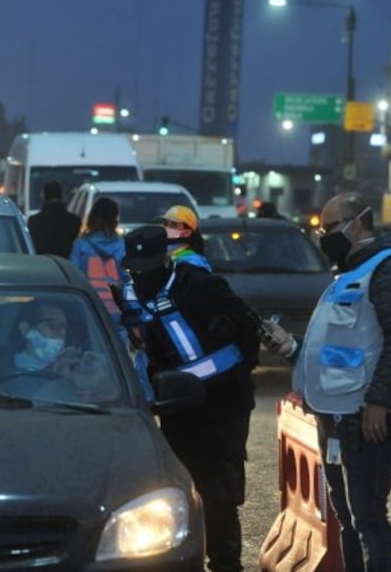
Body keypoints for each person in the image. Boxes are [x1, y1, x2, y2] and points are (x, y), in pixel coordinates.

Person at [263, 192, 391, 572]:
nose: (323, 236)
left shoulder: (390, 268)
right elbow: (338, 348)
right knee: (349, 517)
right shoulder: (348, 275)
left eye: (330, 227)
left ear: (358, 223)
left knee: (369, 517)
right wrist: (290, 346)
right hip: (336, 417)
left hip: (367, 417)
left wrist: (379, 402)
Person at [119, 224, 260, 572]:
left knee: (219, 493)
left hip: (223, 403)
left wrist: (240, 365)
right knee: (176, 488)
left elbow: (248, 326)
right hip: (177, 406)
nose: (141, 273)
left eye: (148, 265)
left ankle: (226, 564)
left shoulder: (198, 284)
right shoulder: (132, 293)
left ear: (165, 258)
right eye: (135, 268)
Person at [69, 197, 125, 320]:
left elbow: (73, 276)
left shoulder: (81, 245)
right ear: (115, 219)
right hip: (117, 308)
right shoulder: (122, 245)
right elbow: (127, 277)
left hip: (90, 308)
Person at [27, 180, 81, 258]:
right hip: (66, 266)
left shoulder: (34, 221)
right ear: (61, 195)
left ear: (43, 196)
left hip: (42, 265)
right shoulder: (74, 221)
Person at [160, 204, 211, 271]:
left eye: (174, 225)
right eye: (165, 224)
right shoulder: (165, 254)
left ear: (187, 233)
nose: (166, 228)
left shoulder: (193, 262)